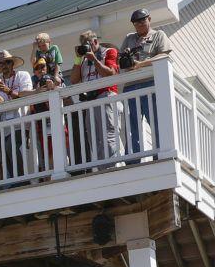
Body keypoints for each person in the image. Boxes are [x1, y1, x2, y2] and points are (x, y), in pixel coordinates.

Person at [119, 9, 171, 158]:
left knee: (155, 121)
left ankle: (160, 154)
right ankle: (134, 158)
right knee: (131, 125)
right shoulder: (129, 38)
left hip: (150, 84)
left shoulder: (158, 35)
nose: (140, 24)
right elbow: (121, 60)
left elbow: (163, 55)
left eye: (142, 20)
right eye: (136, 23)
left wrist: (141, 64)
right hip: (130, 86)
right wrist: (126, 57)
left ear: (149, 19)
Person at [69, 31, 119, 166]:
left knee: (108, 133)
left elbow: (110, 73)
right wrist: (78, 58)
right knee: (93, 136)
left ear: (95, 42)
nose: (87, 48)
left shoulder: (108, 52)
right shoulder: (83, 59)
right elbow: (73, 80)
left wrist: (94, 60)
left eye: (88, 44)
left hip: (105, 95)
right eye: (84, 46)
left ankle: (112, 165)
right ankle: (101, 167)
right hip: (89, 100)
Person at [0, 50, 32, 182]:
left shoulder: (22, 75)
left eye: (7, 62)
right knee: (6, 152)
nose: (4, 65)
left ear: (12, 64)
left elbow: (26, 94)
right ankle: (15, 180)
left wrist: (8, 91)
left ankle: (21, 179)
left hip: (21, 121)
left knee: (10, 146)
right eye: (1, 64)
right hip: (5, 124)